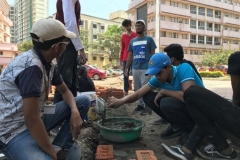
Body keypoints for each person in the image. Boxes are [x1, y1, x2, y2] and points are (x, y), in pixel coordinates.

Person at [0, 18, 91, 160]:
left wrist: (74, 111)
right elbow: (31, 119)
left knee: (83, 102)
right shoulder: (32, 68)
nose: (67, 45)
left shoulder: (47, 64)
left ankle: (61, 147)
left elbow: (65, 91)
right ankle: (53, 151)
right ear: (56, 46)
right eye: (65, 42)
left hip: (34, 118)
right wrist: (50, 152)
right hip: (12, 130)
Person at [161, 52, 240, 160]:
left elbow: (237, 99)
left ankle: (219, 149)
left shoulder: (237, 58)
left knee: (191, 93)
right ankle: (188, 149)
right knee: (212, 106)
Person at [108, 53, 204, 142]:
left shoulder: (184, 68)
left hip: (199, 110)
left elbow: (188, 97)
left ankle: (191, 129)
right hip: (184, 107)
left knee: (166, 103)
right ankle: (177, 126)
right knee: (147, 96)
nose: (157, 76)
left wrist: (164, 91)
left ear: (169, 67)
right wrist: (120, 101)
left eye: (159, 73)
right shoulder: (159, 78)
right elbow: (138, 94)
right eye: (155, 74)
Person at [54, 0, 88, 103]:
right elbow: (70, 24)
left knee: (72, 83)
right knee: (65, 83)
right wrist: (81, 49)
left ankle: (71, 115)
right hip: (66, 43)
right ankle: (57, 117)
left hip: (69, 44)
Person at [125, 19, 157, 115]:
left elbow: (152, 54)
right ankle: (140, 104)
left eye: (141, 25)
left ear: (144, 27)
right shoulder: (132, 41)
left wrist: (152, 67)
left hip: (146, 67)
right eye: (137, 25)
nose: (138, 27)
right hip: (135, 67)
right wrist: (127, 68)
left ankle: (147, 106)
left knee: (145, 87)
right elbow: (130, 55)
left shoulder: (149, 39)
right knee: (137, 88)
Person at [120, 19, 137, 96]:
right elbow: (122, 48)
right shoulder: (123, 36)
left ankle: (136, 90)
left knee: (135, 74)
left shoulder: (136, 34)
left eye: (127, 26)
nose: (126, 28)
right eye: (125, 27)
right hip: (125, 58)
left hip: (135, 58)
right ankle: (126, 91)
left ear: (130, 25)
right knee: (125, 75)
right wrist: (121, 59)